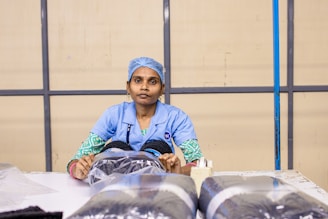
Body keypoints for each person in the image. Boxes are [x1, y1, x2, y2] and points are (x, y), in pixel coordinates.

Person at [67, 56, 203, 180]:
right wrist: (78, 169)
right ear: (128, 86)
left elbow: (198, 164)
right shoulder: (114, 114)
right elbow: (74, 162)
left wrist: (178, 171)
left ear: (162, 88)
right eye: (138, 81)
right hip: (116, 185)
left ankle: (154, 163)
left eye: (152, 82)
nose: (144, 87)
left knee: (158, 149)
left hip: (157, 186)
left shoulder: (176, 117)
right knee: (116, 149)